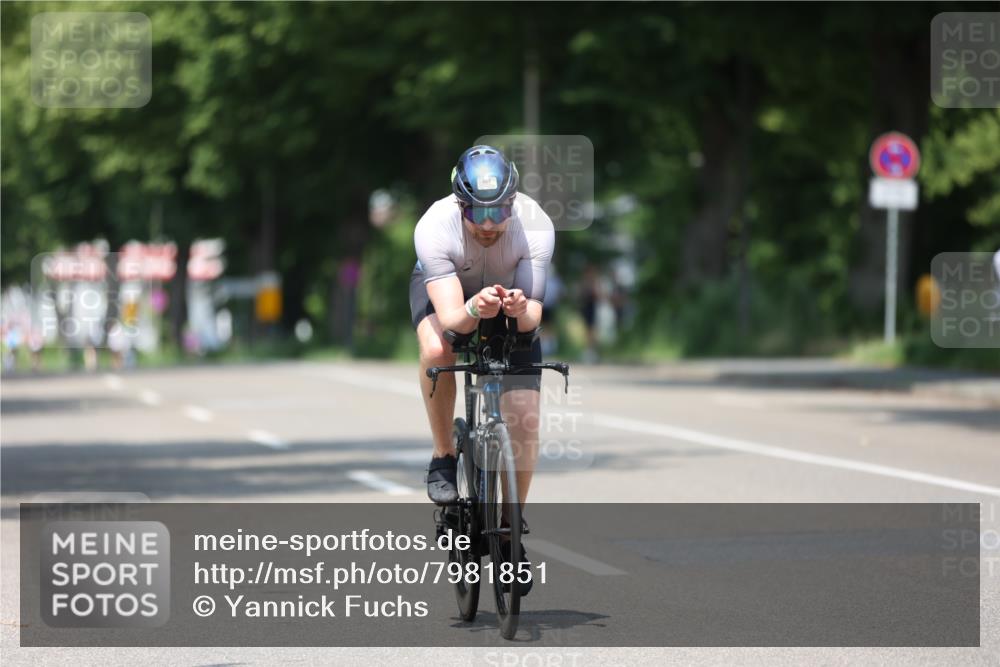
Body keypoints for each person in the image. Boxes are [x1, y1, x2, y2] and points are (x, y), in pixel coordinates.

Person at [410, 145, 554, 593]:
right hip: (453, 297)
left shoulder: (535, 226)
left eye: (500, 211)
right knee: (437, 350)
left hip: (506, 299)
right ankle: (443, 456)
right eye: (478, 212)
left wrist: (516, 308)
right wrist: (475, 305)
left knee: (526, 414)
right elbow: (454, 321)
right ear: (460, 203)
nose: (489, 224)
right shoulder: (435, 226)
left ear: (513, 203)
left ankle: (511, 532)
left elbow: (532, 318)